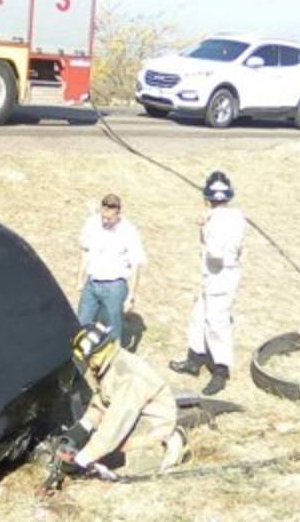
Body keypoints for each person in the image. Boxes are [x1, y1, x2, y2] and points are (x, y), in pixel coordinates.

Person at [59, 324, 187, 478]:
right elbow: (102, 403)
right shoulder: (110, 364)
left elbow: (115, 426)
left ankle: (172, 445)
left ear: (93, 357)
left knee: (117, 466)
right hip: (134, 420)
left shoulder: (128, 378)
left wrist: (82, 459)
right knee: (98, 451)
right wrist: (81, 429)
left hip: (153, 426)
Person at [169, 171, 246, 396]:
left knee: (216, 323)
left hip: (220, 274)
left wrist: (205, 230)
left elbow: (215, 253)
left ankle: (221, 370)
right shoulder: (236, 216)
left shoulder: (215, 222)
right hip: (219, 274)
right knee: (198, 316)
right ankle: (195, 358)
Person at [75, 194, 145, 344]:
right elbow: (85, 252)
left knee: (112, 331)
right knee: (81, 325)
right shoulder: (92, 224)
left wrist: (131, 297)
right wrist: (80, 279)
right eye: (103, 217)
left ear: (118, 214)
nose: (105, 221)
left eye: (109, 218)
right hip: (92, 283)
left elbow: (136, 265)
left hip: (114, 287)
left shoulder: (128, 232)